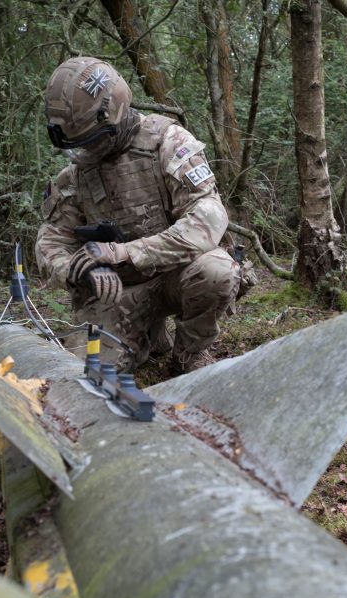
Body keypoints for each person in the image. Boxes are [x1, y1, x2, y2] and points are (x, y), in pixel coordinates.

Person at [36, 57, 243, 374]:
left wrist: (124, 252)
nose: (85, 153)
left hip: (176, 276)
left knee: (216, 270)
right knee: (88, 375)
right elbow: (50, 241)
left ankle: (189, 355)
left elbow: (207, 220)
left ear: (114, 114)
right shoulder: (77, 175)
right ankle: (148, 335)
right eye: (78, 146)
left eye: (92, 141)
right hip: (118, 291)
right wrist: (77, 271)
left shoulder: (168, 142)